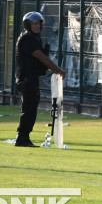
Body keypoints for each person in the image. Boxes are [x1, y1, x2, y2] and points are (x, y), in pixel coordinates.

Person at [15, 12, 67, 147]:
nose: (37, 26)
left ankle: (24, 137)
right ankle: (22, 138)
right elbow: (42, 58)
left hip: (32, 78)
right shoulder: (28, 39)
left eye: (39, 23)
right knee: (29, 109)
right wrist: (58, 70)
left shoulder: (35, 38)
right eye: (34, 24)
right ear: (28, 25)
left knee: (31, 108)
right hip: (26, 79)